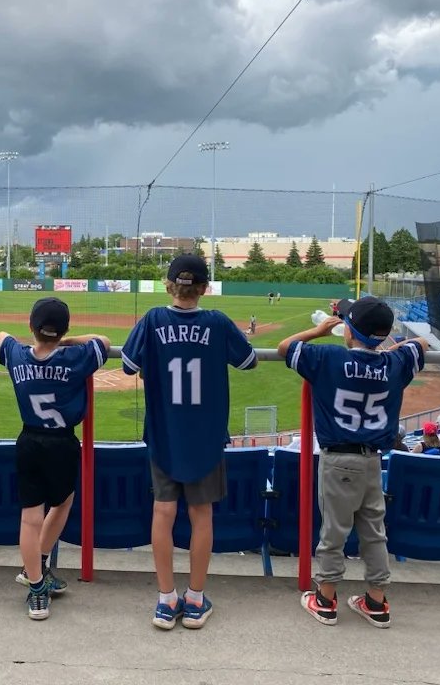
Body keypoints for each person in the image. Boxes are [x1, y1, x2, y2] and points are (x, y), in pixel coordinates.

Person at [121, 254, 257, 631]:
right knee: (202, 516)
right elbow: (248, 361)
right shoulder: (215, 321)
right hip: (207, 435)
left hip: (165, 433)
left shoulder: (152, 319)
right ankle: (195, 599)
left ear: (168, 286)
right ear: (204, 289)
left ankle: (167, 601)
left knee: (162, 514)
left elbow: (129, 366)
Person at [278, 297, 428, 629]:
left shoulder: (328, 356)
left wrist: (318, 331)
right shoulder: (395, 363)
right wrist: (385, 345)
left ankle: (326, 598)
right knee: (374, 531)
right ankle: (376, 601)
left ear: (349, 330)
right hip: (373, 460)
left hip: (337, 459)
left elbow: (285, 346)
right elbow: (422, 342)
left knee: (334, 530)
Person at [0, 298, 110, 621]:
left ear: (31, 327)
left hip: (29, 440)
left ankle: (36, 581)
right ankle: (38, 572)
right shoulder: (75, 356)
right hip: (62, 442)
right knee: (62, 502)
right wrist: (67, 341)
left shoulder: (17, 354)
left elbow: (1, 336)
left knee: (30, 517)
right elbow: (103, 342)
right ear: (64, 331)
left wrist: (30, 341)